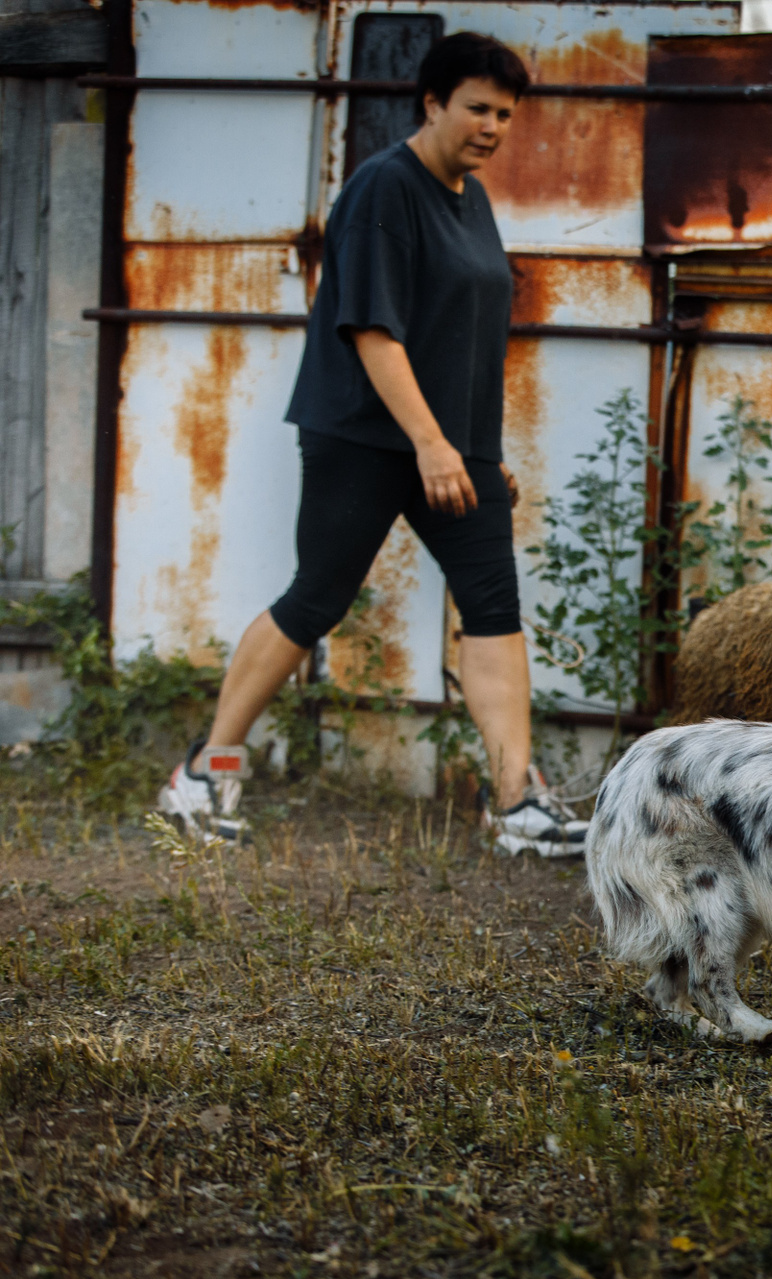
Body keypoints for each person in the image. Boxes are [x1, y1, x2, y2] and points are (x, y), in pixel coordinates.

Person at [158, 32, 584, 857]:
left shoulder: (471, 199)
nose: (492, 127)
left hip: (451, 448)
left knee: (493, 605)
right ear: (432, 103)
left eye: (505, 114)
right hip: (364, 436)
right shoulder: (384, 187)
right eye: (477, 109)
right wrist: (431, 443)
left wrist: (479, 451)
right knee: (316, 599)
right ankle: (204, 772)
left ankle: (515, 806)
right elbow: (372, 331)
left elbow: (463, 337)